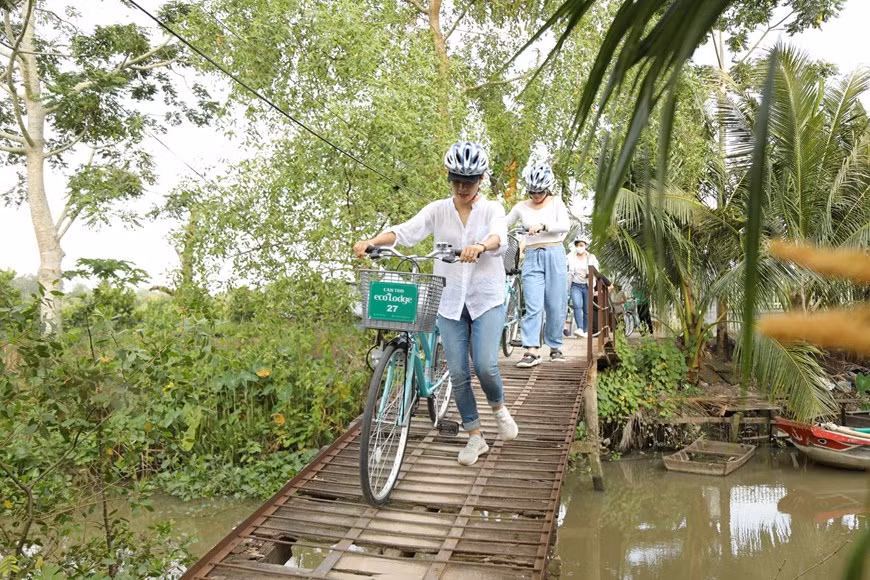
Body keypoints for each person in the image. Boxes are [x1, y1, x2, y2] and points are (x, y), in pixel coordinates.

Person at [352, 141, 518, 466]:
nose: (461, 187)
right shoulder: (437, 210)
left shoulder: (492, 209)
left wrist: (480, 246)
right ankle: (475, 436)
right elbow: (405, 232)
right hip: (450, 301)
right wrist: (373, 240)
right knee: (457, 372)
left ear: (481, 179)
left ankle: (498, 407)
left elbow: (500, 236)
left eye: (468, 181)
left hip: (486, 298)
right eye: (456, 180)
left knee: (484, 365)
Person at [506, 161, 570, 368]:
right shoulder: (520, 207)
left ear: (548, 188)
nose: (536, 196)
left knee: (555, 304)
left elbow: (565, 226)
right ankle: (531, 350)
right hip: (532, 256)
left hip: (555, 253)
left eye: (540, 192)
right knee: (533, 305)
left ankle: (555, 346)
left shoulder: (556, 203)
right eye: (532, 192)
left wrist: (543, 225)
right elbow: (503, 223)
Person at [567, 238, 599, 337]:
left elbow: (596, 270)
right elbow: (564, 265)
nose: (579, 247)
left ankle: (586, 331)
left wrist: (590, 274)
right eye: (577, 245)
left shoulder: (591, 257)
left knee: (586, 309)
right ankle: (580, 328)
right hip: (575, 284)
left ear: (585, 246)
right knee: (577, 305)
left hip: (587, 285)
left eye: (581, 245)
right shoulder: (570, 256)